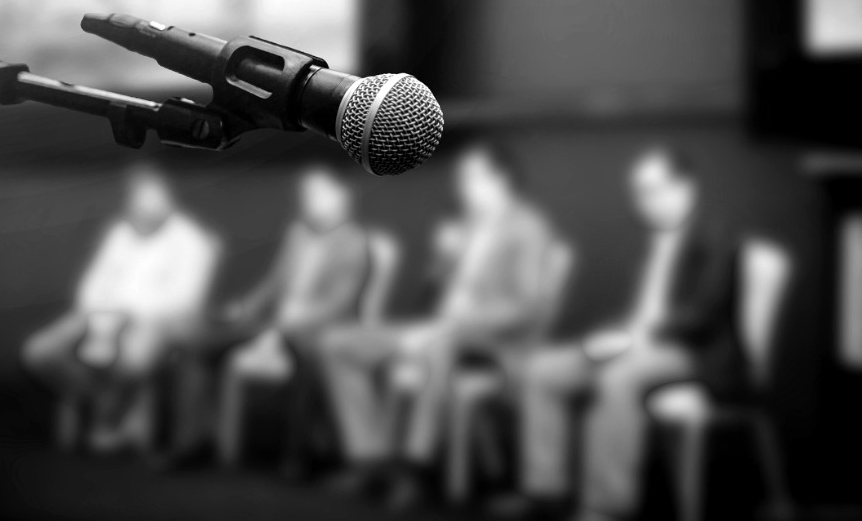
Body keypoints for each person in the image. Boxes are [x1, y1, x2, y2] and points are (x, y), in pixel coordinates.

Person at [504, 146, 746, 521]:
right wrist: (620, 336)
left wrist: (644, 334)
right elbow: (637, 309)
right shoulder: (650, 240)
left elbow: (706, 310)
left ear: (686, 187)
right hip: (633, 342)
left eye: (655, 189)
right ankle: (544, 491)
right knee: (542, 371)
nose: (646, 201)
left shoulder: (714, 233)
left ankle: (605, 506)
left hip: (689, 351)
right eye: (639, 192)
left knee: (618, 377)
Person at [319, 142, 562, 510]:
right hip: (439, 329)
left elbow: (526, 306)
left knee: (437, 345)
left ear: (500, 179)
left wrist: (456, 325)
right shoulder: (464, 227)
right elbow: (433, 295)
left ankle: (413, 469)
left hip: (494, 343)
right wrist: (443, 262)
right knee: (337, 344)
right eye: (461, 179)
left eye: (470, 178)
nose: (462, 188)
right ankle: (369, 458)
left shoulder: (529, 228)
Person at [21, 161, 221, 455]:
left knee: (133, 361)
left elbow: (185, 301)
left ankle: (108, 418)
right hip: (98, 316)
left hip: (153, 321)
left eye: (153, 201)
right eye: (137, 202)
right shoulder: (119, 233)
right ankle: (104, 404)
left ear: (168, 199)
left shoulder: (192, 240)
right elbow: (90, 286)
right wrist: (101, 314)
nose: (144, 211)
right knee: (39, 352)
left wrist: (129, 313)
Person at [216, 164, 374, 475]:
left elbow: (339, 304)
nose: (310, 200)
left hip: (322, 329)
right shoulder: (296, 234)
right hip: (277, 323)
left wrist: (292, 324)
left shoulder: (354, 241)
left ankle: (298, 453)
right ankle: (200, 441)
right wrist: (246, 308)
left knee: (309, 357)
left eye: (319, 192)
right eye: (306, 193)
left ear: (341, 196)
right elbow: (274, 283)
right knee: (203, 342)